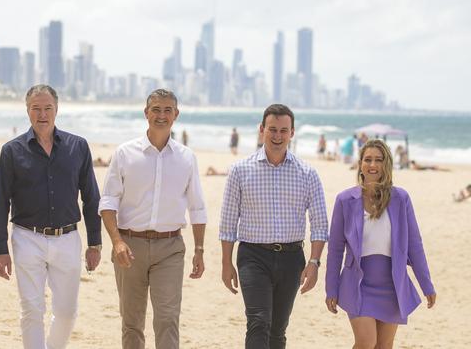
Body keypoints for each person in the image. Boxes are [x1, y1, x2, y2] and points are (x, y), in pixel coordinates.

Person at [0, 84, 102, 349]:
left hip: (68, 238)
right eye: (36, 108)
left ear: (57, 109)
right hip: (27, 238)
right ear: (27, 111)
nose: (42, 114)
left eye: (47, 108)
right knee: (31, 310)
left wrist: (95, 243)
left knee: (66, 312)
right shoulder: (11, 151)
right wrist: (0, 249)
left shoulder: (78, 146)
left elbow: (91, 197)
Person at [99, 89, 207, 349]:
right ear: (146, 113)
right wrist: (117, 242)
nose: (161, 115)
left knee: (168, 318)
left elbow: (197, 208)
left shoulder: (186, 158)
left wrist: (200, 249)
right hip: (129, 246)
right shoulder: (125, 153)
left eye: (167, 110)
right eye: (156, 109)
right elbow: (108, 202)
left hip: (169, 249)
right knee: (132, 321)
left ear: (176, 115)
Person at [219, 104, 328, 349]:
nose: (277, 136)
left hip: (292, 258)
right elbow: (227, 223)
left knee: (278, 329)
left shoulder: (307, 173)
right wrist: (226, 263)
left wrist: (314, 263)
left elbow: (320, 224)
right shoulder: (239, 170)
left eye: (283, 130)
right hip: (252, 256)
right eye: (272, 129)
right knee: (258, 322)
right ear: (261, 130)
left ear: (292, 133)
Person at [325, 139, 437, 348]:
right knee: (366, 342)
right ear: (360, 164)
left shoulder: (401, 198)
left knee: (384, 346)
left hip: (393, 284)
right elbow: (335, 249)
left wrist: (426, 284)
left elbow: (415, 244)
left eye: (379, 159)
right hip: (357, 283)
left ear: (387, 164)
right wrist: (331, 288)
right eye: (368, 159)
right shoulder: (345, 200)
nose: (373, 165)